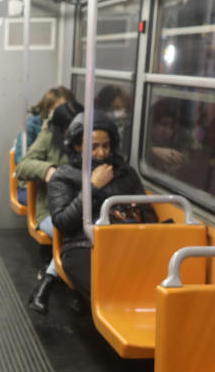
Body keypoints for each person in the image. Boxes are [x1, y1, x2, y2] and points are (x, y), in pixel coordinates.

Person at [47, 111, 157, 300]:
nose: (102, 153)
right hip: (83, 245)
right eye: (93, 147)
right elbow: (63, 222)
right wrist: (93, 188)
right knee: (114, 290)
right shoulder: (63, 176)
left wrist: (136, 215)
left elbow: (150, 214)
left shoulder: (125, 173)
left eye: (106, 146)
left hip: (127, 242)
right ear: (77, 146)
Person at [16, 99, 82, 314]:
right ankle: (70, 288)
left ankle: (47, 283)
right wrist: (49, 171)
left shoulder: (91, 144)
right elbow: (23, 166)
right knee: (73, 237)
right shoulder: (48, 139)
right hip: (51, 209)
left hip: (81, 209)